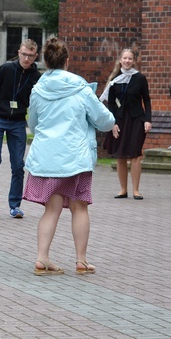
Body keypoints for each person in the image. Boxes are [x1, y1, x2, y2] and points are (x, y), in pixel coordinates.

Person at [23, 37, 115, 276]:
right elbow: (104, 120)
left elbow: (32, 123)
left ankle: (42, 259)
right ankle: (81, 261)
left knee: (51, 210)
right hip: (75, 158)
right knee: (80, 208)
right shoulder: (81, 88)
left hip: (46, 158)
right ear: (67, 60)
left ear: (45, 61)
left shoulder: (38, 89)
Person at [0, 39, 41, 218]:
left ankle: (15, 205)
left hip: (18, 121)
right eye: (24, 54)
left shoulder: (36, 77)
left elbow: (40, 101)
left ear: (36, 56)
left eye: (31, 56)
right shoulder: (6, 69)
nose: (27, 59)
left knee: (18, 164)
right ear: (19, 52)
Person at [99, 48, 152, 200]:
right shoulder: (115, 79)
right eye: (125, 58)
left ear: (133, 61)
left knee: (135, 153)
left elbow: (146, 100)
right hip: (119, 120)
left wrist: (148, 119)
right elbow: (110, 104)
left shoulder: (140, 78)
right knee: (121, 155)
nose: (127, 61)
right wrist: (112, 123)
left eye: (130, 58)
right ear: (120, 60)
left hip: (137, 119)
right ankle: (123, 189)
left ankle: (136, 190)